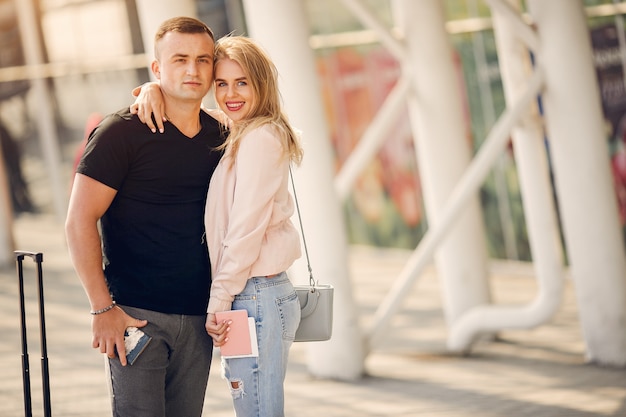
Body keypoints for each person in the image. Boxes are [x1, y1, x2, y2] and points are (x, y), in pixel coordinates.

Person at [65, 17, 228, 417]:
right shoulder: (120, 132)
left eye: (203, 60)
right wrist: (102, 309)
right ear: (157, 68)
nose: (192, 70)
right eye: (180, 59)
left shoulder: (223, 135)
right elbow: (79, 221)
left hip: (199, 317)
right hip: (136, 316)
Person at [133, 35, 304, 417]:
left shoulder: (259, 138)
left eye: (242, 82)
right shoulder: (244, 130)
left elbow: (244, 232)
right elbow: (197, 112)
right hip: (254, 295)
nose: (231, 94)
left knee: (257, 409)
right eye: (222, 84)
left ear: (261, 84)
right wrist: (153, 89)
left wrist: (219, 301)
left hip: (252, 296)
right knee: (255, 404)